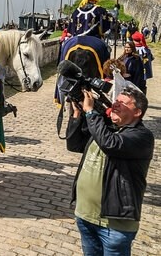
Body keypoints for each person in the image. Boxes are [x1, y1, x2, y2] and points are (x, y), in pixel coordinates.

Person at [66, 86, 154, 256]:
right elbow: (74, 144)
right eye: (116, 101)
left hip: (114, 226)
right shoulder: (107, 127)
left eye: (123, 103)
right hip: (85, 216)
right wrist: (77, 114)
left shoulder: (143, 136)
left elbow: (110, 144)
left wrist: (91, 112)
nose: (115, 104)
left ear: (137, 112)